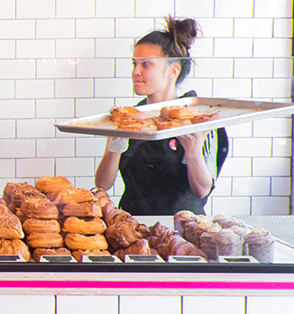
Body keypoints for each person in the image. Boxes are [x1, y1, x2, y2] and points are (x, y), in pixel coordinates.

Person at [94, 16, 227, 215]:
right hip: (133, 229)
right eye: (134, 64)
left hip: (182, 230)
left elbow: (201, 191)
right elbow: (103, 185)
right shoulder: (132, 120)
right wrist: (114, 145)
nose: (136, 72)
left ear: (172, 71)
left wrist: (192, 152)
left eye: (146, 64)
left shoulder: (198, 120)